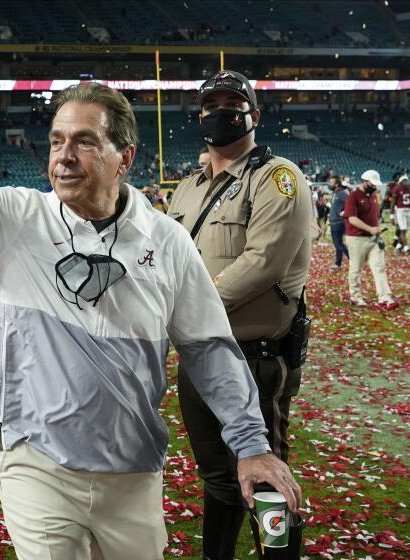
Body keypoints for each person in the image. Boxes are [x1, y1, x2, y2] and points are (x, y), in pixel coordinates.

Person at [0, 17, 301, 559]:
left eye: (84, 141)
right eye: (57, 140)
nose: (63, 155)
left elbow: (210, 350)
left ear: (125, 157)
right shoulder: (17, 218)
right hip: (38, 465)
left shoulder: (167, 242)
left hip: (133, 471)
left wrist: (251, 446)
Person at [168, 69, 310, 559]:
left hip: (254, 353)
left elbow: (261, 264)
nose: (220, 112)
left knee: (266, 475)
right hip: (197, 354)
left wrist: (182, 306)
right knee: (218, 477)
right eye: (211, 105)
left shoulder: (277, 179)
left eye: (232, 102)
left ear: (254, 113)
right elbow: (167, 258)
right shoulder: (186, 187)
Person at [343, 170, 398, 310]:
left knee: (379, 267)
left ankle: (385, 297)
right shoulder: (353, 196)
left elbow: (374, 216)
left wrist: (376, 228)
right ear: (364, 181)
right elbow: (352, 219)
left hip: (373, 238)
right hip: (356, 238)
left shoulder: (373, 196)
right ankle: (355, 297)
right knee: (355, 269)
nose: (375, 186)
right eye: (372, 183)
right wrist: (370, 228)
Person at [328, 176, 349, 269]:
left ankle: (352, 259)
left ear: (337, 184)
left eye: (331, 182)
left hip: (338, 222)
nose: (329, 184)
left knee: (338, 243)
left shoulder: (341, 193)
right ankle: (338, 263)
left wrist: (344, 212)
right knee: (338, 243)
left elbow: (349, 203)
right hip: (334, 221)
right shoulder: (335, 193)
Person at [391, 175, 410, 254]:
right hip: (400, 211)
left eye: (407, 180)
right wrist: (391, 215)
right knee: (403, 230)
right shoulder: (397, 189)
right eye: (404, 181)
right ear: (400, 182)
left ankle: (398, 246)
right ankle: (406, 248)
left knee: (404, 231)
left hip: (409, 211)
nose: (406, 182)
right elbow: (393, 202)